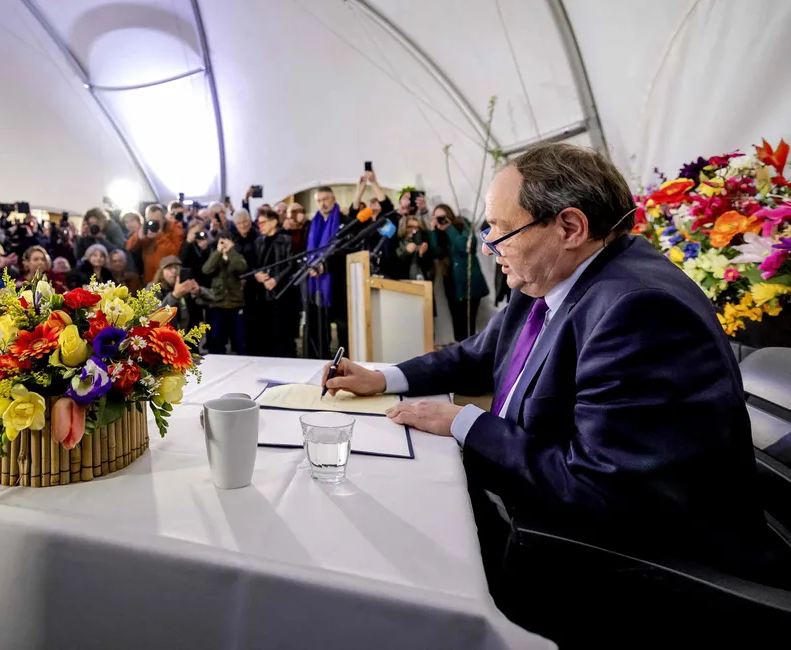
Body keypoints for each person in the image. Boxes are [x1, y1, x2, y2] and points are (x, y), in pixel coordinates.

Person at [321, 143, 776, 590]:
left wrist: (465, 423)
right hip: (548, 511)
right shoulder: (553, 275)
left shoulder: (638, 311)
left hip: (638, 568)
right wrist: (383, 378)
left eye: (500, 230)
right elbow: (479, 354)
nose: (488, 247)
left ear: (571, 227)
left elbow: (598, 489)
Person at [429, 204, 489, 340]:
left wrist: (449, 229)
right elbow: (436, 253)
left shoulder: (462, 224)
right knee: (457, 324)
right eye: (437, 218)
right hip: (450, 283)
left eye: (442, 217)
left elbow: (467, 246)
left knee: (469, 324)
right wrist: (433, 232)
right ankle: (460, 354)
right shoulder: (438, 234)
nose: (440, 221)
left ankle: (471, 354)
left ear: (449, 216)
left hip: (469, 281)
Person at [304, 186, 350, 359]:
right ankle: (319, 360)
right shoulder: (311, 225)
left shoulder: (345, 221)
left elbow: (347, 251)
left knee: (342, 328)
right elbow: (306, 251)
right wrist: (310, 266)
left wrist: (326, 266)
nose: (323, 203)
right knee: (318, 328)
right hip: (315, 284)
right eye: (320, 200)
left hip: (338, 284)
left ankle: (345, 362)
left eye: (326, 199)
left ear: (334, 199)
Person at [249, 208, 299, 357]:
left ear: (274, 222)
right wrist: (257, 275)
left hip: (282, 293)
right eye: (259, 223)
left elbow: (290, 265)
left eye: (263, 222)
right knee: (264, 331)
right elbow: (253, 264)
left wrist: (276, 280)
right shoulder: (258, 241)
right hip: (262, 294)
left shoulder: (285, 240)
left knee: (282, 331)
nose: (260, 226)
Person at [202, 231, 247, 355]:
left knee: (239, 340)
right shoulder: (214, 255)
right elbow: (206, 269)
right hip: (217, 303)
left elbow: (241, 267)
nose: (224, 244)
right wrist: (218, 252)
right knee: (217, 340)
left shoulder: (237, 255)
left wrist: (231, 251)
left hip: (235, 303)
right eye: (221, 241)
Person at [127, 204, 184, 287]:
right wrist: (140, 236)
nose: (153, 223)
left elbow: (174, 252)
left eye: (157, 220)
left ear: (164, 219)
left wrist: (159, 235)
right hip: (150, 279)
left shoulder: (174, 227)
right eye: (150, 220)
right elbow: (129, 247)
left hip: (169, 279)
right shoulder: (145, 229)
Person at [148, 255, 210, 331]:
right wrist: (174, 296)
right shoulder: (153, 287)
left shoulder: (184, 285)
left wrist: (198, 291)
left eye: (177, 268)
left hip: (186, 333)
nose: (174, 271)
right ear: (161, 272)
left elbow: (211, 300)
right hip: (163, 334)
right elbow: (155, 316)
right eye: (169, 268)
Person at [394, 213, 432, 281]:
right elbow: (396, 266)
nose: (414, 230)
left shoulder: (423, 243)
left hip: (422, 281)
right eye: (410, 227)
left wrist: (421, 254)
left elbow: (428, 267)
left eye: (417, 227)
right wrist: (407, 252)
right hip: (402, 282)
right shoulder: (397, 242)